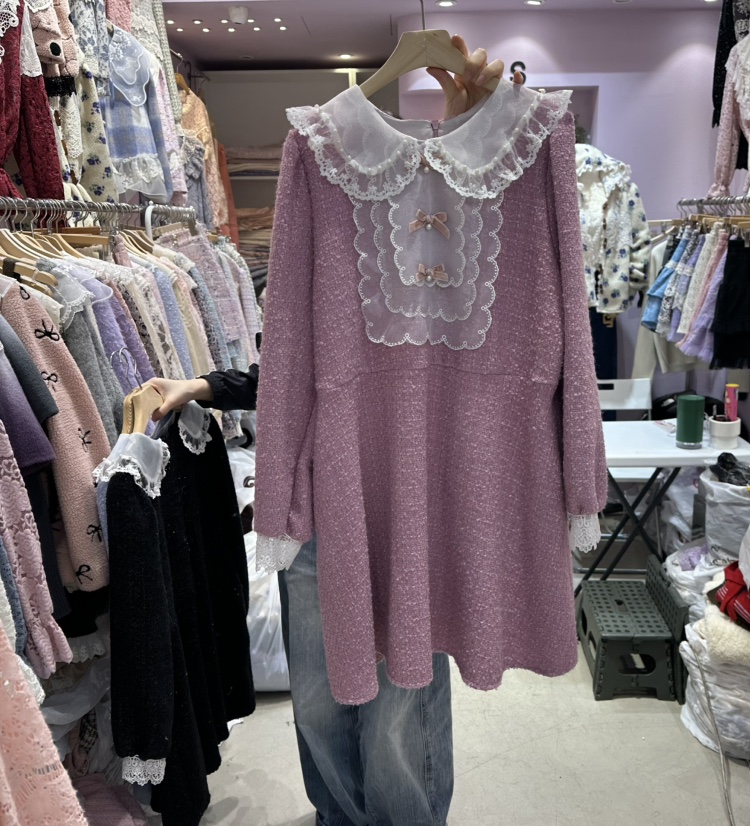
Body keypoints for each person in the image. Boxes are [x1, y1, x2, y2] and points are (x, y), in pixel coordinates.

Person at [148, 40, 523, 826]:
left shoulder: (469, 218)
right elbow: (291, 349)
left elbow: (483, 331)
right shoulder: (320, 170)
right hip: (320, 496)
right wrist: (210, 386)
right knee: (319, 695)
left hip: (409, 497)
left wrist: (471, 142)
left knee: (400, 698)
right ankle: (339, 817)